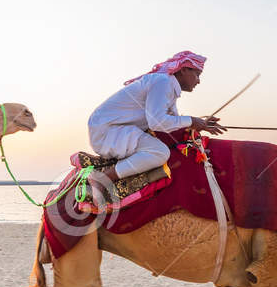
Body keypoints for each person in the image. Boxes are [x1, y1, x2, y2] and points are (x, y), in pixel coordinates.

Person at [86, 50, 225, 187]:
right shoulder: (162, 82)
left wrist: (200, 123)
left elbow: (172, 121)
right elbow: (157, 122)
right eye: (197, 74)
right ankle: (103, 179)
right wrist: (193, 121)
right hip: (108, 132)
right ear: (183, 70)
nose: (198, 81)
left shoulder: (166, 85)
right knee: (160, 152)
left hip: (114, 129)